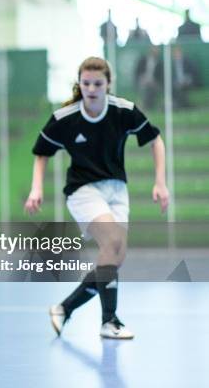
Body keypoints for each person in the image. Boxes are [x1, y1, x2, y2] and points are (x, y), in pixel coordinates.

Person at [24, 57, 169, 339]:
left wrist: (160, 182)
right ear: (80, 84)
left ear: (108, 85)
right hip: (83, 190)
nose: (91, 88)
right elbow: (41, 153)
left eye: (97, 83)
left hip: (116, 189)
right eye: (86, 83)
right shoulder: (65, 118)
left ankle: (64, 308)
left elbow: (156, 140)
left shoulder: (123, 111)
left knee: (114, 257)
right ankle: (109, 321)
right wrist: (36, 188)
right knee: (113, 241)